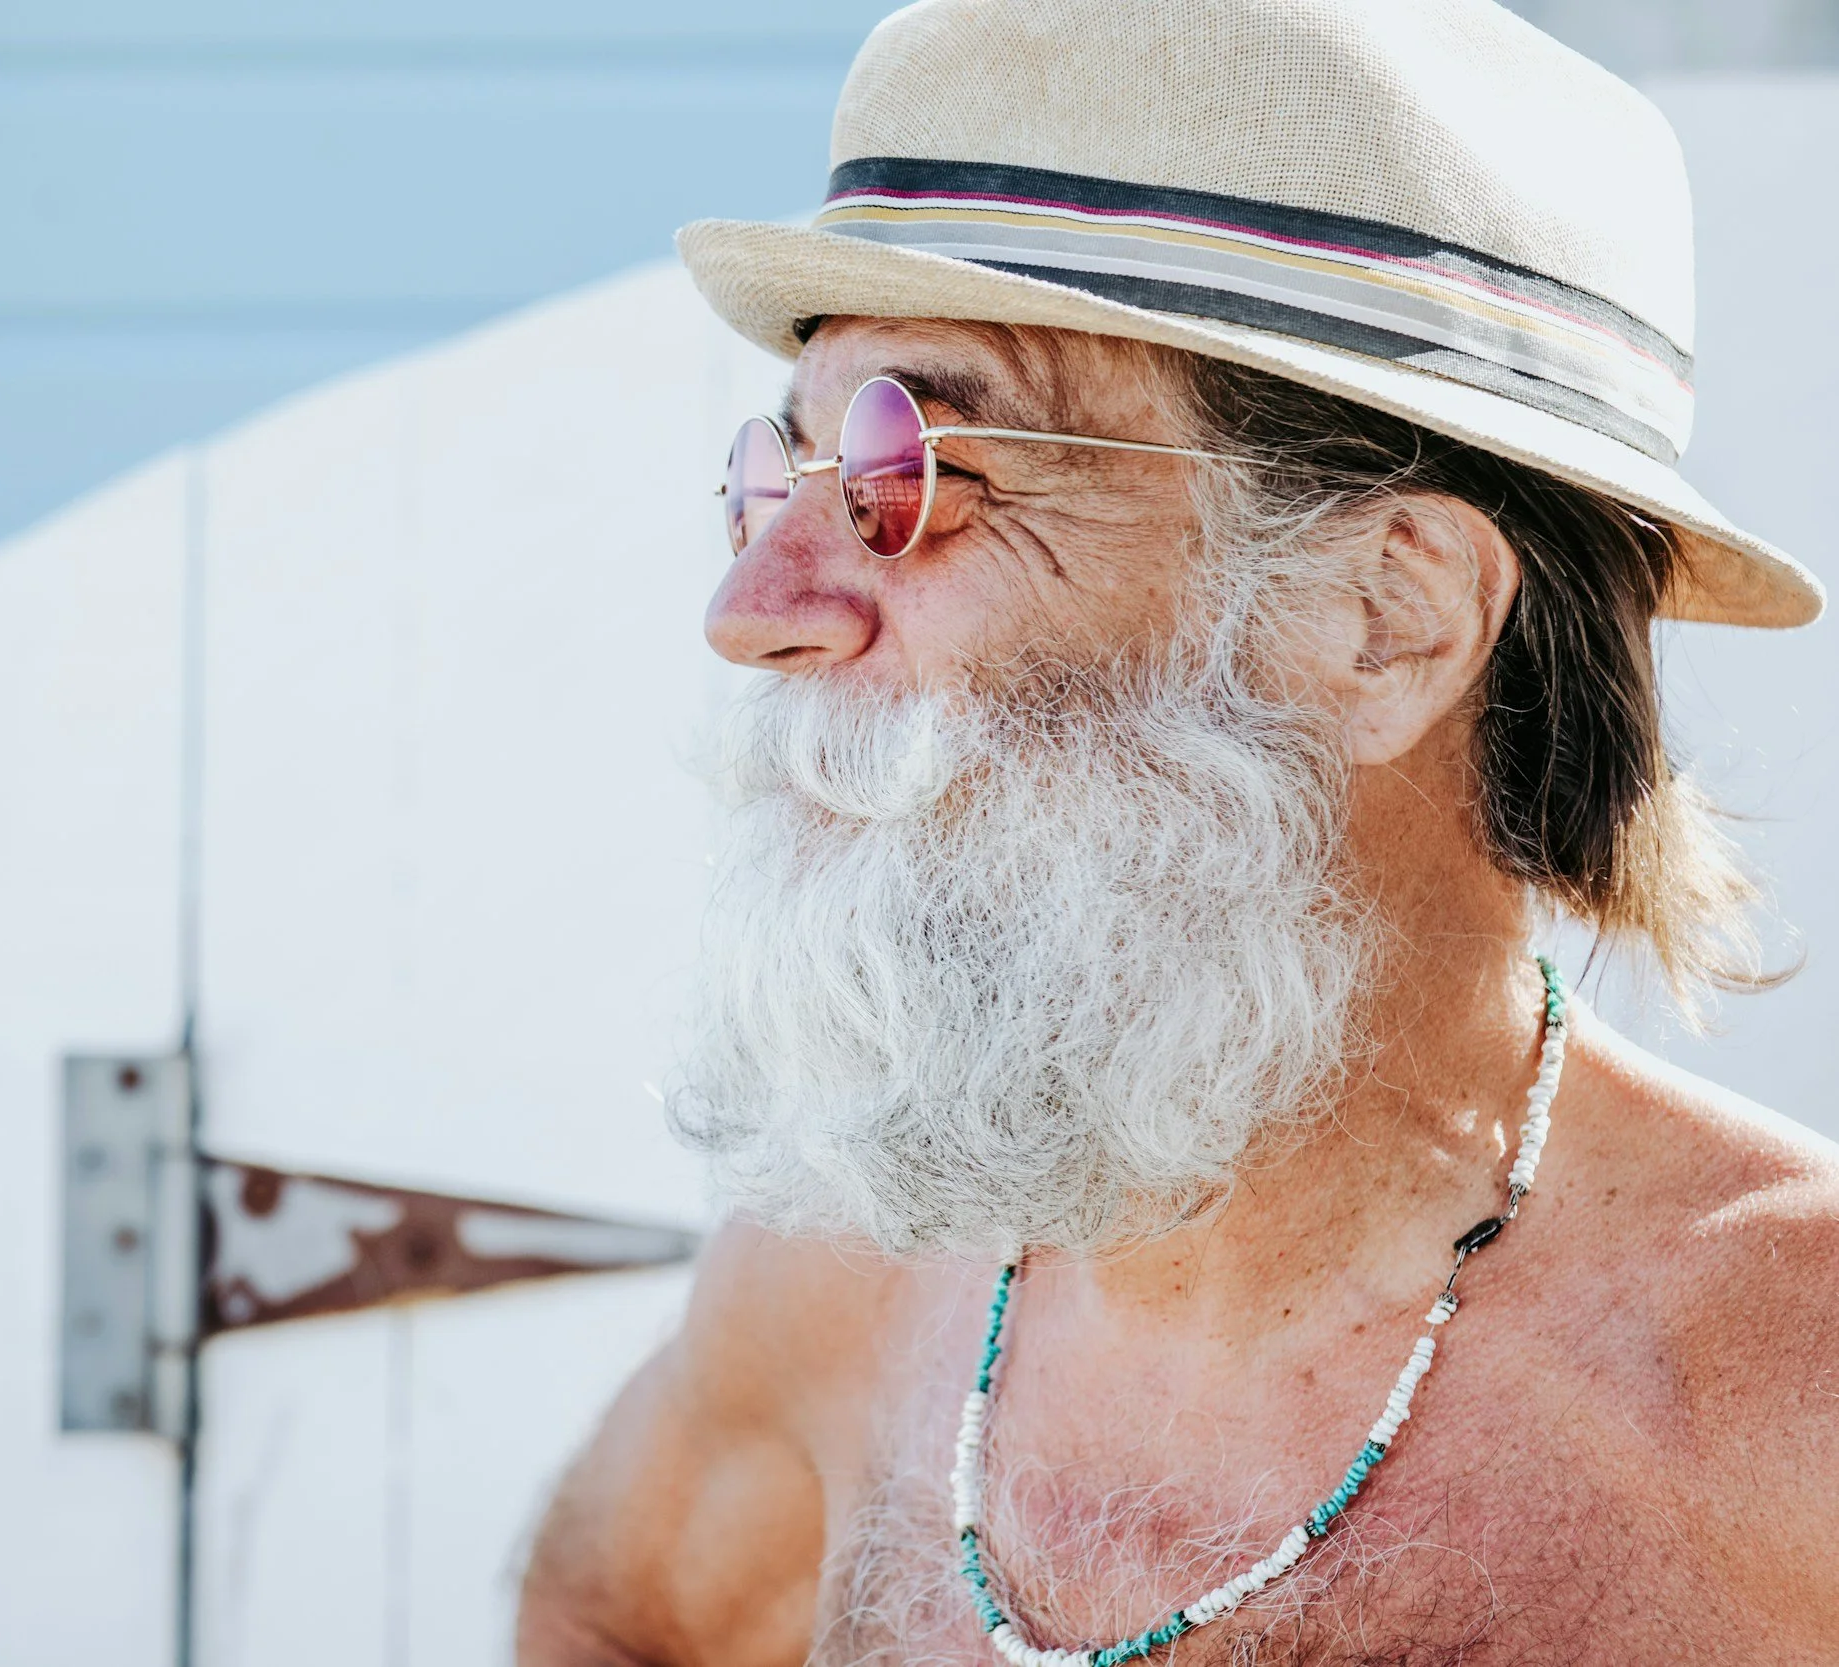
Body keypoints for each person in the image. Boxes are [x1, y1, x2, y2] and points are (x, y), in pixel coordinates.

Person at [515, 1, 1839, 1661]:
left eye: (901, 469)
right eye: (770, 471)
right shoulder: (846, 1277)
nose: (751, 606)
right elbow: (610, 1619)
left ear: (1386, 616)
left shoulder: (1800, 1398)